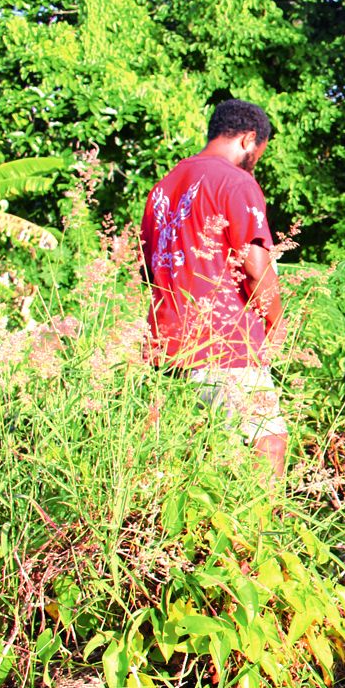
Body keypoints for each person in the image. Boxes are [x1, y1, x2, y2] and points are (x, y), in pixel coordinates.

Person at [140, 99, 288, 481]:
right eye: (259, 153)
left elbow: (147, 270)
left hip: (164, 347)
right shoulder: (237, 181)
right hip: (225, 342)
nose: (256, 162)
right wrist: (275, 323)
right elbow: (256, 269)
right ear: (250, 139)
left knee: (187, 456)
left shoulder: (162, 188)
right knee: (267, 442)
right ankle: (263, 534)